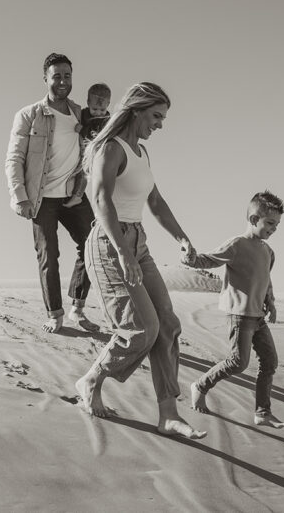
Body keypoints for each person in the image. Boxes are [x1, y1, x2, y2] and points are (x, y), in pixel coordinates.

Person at [74, 82, 206, 440]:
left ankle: (168, 414)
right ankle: (91, 380)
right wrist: (121, 251)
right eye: (156, 116)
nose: (160, 124)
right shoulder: (110, 148)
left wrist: (182, 238)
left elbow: (156, 201)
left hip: (138, 242)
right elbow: (101, 199)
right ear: (136, 110)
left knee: (167, 324)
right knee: (141, 328)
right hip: (108, 243)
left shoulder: (141, 151)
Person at [5, 53, 100, 334]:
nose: (62, 81)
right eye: (56, 75)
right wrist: (19, 196)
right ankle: (54, 314)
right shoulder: (29, 115)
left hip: (74, 196)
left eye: (67, 76)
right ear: (45, 78)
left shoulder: (79, 113)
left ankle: (77, 308)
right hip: (41, 197)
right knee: (49, 255)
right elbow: (14, 158)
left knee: (93, 246)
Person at [182, 191, 284, 428]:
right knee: (238, 363)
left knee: (270, 362)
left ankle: (263, 412)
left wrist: (271, 302)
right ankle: (200, 385)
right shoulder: (237, 245)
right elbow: (211, 259)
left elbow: (266, 279)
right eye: (270, 223)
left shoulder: (268, 252)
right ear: (253, 219)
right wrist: (191, 259)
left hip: (258, 316)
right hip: (240, 316)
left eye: (277, 225)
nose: (274, 229)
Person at [64, 83, 112, 208]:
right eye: (94, 109)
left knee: (83, 171)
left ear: (108, 105)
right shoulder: (83, 113)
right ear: (88, 103)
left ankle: (77, 196)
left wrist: (81, 130)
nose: (98, 113)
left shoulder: (106, 120)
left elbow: (95, 136)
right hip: (79, 146)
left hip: (93, 151)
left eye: (102, 110)